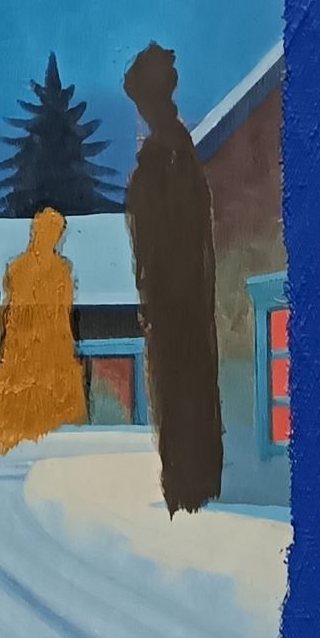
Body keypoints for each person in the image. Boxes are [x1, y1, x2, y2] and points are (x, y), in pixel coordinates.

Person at [122, 42, 224, 515]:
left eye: (140, 103)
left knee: (178, 397)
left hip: (172, 306)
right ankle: (192, 486)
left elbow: (150, 249)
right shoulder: (184, 155)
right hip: (190, 305)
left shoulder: (159, 163)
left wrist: (149, 298)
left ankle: (185, 493)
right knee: (194, 394)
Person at [0, 208, 87, 455]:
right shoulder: (61, 271)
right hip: (47, 349)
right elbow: (64, 311)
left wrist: (7, 340)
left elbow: (6, 311)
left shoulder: (17, 268)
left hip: (21, 350)